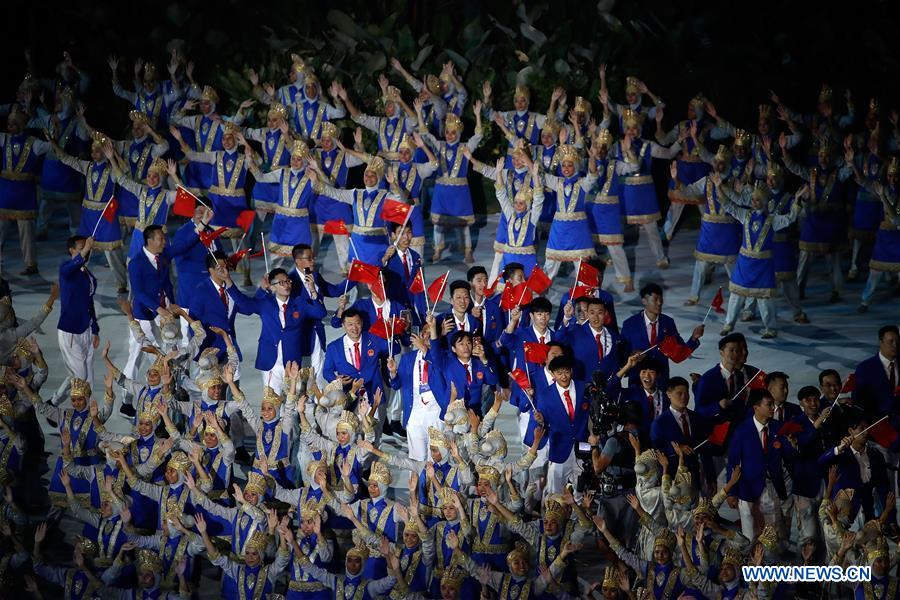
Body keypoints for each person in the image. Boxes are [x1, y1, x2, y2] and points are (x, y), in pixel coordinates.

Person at [717, 181, 803, 339]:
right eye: (753, 199)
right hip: (745, 263)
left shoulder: (772, 220)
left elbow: (790, 218)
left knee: (765, 298)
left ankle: (771, 328)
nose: (754, 202)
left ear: (764, 202)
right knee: (736, 294)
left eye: (757, 200)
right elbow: (730, 207)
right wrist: (718, 187)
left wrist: (796, 200)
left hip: (763, 265)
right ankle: (729, 323)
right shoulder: (745, 215)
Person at [50, 130, 129, 294]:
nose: (94, 153)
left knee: (112, 252)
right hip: (88, 215)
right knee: (84, 249)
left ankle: (121, 283)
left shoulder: (111, 170)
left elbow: (125, 170)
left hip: (105, 216)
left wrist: (112, 155)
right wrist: (54, 144)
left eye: (98, 150)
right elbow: (68, 160)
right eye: (93, 150)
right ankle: (77, 276)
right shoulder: (88, 166)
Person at [225, 267, 326, 394]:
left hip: (292, 360)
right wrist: (228, 280)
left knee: (292, 402)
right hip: (270, 361)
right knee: (272, 403)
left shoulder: (299, 303)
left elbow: (320, 313)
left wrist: (312, 290)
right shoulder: (265, 303)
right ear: (272, 286)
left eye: (288, 281)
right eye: (281, 282)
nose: (286, 285)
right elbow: (244, 303)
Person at [416, 101, 484, 264]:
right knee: (438, 223)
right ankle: (437, 250)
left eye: (453, 132)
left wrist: (477, 116)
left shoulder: (465, 147)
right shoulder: (439, 145)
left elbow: (478, 136)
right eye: (447, 131)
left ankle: (467, 251)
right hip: (442, 190)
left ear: (459, 133)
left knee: (464, 224)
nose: (450, 135)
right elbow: (425, 135)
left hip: (460, 192)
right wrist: (419, 113)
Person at [727, 390, 795, 543]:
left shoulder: (779, 427)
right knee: (750, 537)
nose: (773, 408)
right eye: (769, 404)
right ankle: (751, 563)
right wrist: (731, 492)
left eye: (773, 404)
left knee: (772, 536)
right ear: (756, 407)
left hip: (772, 488)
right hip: (748, 489)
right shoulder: (741, 430)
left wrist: (792, 446)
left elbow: (789, 455)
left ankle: (770, 563)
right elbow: (733, 462)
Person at [121, 224, 174, 416]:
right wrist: (158, 308)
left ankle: (162, 393)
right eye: (160, 239)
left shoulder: (163, 259)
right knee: (135, 357)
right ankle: (126, 402)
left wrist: (172, 306)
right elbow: (139, 292)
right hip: (143, 316)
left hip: (159, 315)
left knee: (159, 355)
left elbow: (167, 283)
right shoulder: (136, 263)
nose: (164, 242)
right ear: (150, 241)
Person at [620, 282, 703, 385]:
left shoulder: (668, 322)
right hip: (638, 379)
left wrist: (694, 338)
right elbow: (621, 351)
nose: (659, 303)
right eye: (655, 299)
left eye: (661, 299)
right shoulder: (630, 324)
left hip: (661, 378)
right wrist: (630, 356)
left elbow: (680, 349)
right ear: (644, 301)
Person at [0, 107, 50, 275]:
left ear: (21, 125)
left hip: (24, 195)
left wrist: (48, 122)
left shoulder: (34, 143)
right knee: (0, 229)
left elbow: (52, 145)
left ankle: (31, 264)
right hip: (5, 193)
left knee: (26, 231)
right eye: (9, 124)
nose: (10, 127)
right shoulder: (4, 139)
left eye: (13, 124)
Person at [533, 355, 589, 495]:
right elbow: (543, 424)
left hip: (583, 448)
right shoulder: (545, 395)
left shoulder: (584, 388)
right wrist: (540, 420)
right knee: (555, 493)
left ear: (571, 371)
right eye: (559, 373)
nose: (563, 376)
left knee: (581, 492)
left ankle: (579, 517)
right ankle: (554, 517)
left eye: (566, 372)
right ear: (552, 374)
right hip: (559, 449)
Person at [57, 235, 99, 383]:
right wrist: (86, 248)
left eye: (88, 249)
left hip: (86, 328)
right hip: (71, 330)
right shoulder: (66, 270)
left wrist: (95, 328)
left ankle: (56, 401)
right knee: (80, 377)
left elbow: (89, 302)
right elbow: (70, 267)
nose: (86, 252)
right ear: (72, 250)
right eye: (82, 249)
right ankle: (79, 406)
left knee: (88, 376)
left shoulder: (87, 273)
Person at [853, 325, 899, 418]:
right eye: (891, 342)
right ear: (881, 342)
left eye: (897, 342)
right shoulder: (865, 368)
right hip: (877, 423)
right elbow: (858, 399)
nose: (895, 345)